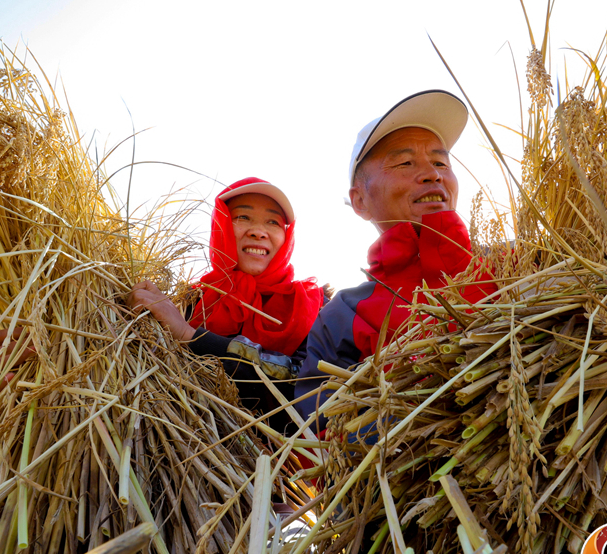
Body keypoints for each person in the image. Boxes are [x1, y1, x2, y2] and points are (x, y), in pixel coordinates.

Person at [294, 90, 495, 428]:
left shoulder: (514, 268)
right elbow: (320, 434)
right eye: (405, 163)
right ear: (360, 201)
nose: (432, 174)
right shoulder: (343, 316)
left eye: (440, 163)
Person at [126, 177, 326, 420]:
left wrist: (190, 336)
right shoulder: (188, 301)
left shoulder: (316, 307)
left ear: (286, 235)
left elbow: (303, 381)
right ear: (220, 224)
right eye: (243, 217)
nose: (258, 231)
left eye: (273, 222)